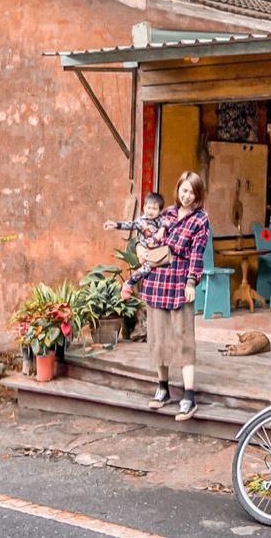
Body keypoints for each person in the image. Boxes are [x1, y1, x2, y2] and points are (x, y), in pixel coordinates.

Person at [138, 172, 208, 421]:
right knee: (158, 336)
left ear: (198, 195)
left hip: (179, 282)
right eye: (183, 190)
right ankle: (163, 388)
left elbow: (197, 254)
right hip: (157, 280)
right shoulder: (166, 213)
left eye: (191, 192)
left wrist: (191, 282)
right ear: (178, 190)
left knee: (184, 337)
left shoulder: (200, 220)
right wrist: (140, 247)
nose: (186, 195)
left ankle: (189, 395)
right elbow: (146, 233)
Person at [102, 192, 168, 300]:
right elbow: (130, 225)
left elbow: (168, 224)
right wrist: (116, 225)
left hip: (158, 252)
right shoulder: (141, 222)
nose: (150, 211)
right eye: (148, 208)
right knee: (146, 268)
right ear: (144, 207)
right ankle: (129, 283)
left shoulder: (161, 220)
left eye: (154, 209)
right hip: (146, 252)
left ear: (160, 211)